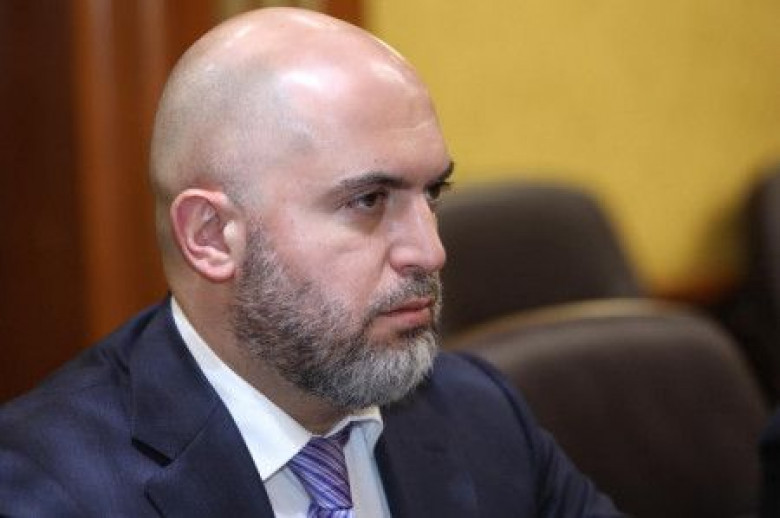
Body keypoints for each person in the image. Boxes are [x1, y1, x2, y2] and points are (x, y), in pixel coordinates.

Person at [0, 7, 623, 517]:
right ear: (212, 237)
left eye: (432, 193)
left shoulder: (481, 414)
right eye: (368, 200)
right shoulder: (42, 490)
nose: (431, 251)